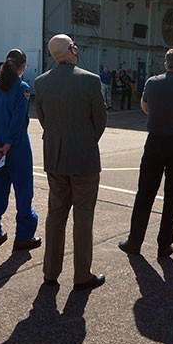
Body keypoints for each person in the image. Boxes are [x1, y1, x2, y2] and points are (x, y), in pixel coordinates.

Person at [34, 34, 107, 290]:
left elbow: (43, 119)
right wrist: (86, 141)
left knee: (56, 215)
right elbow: (100, 121)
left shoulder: (41, 83)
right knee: (83, 217)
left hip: (55, 159)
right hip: (84, 159)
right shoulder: (90, 80)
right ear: (72, 49)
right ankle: (82, 275)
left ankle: (50, 272)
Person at [118, 48, 173, 259]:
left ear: (166, 64)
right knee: (172, 196)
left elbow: (145, 106)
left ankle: (134, 242)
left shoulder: (152, 83)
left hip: (156, 141)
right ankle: (164, 246)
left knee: (145, 193)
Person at [0, 48, 39, 251]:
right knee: (23, 190)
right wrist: (8, 145)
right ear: (22, 66)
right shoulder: (23, 88)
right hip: (17, 148)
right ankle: (23, 236)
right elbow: (18, 120)